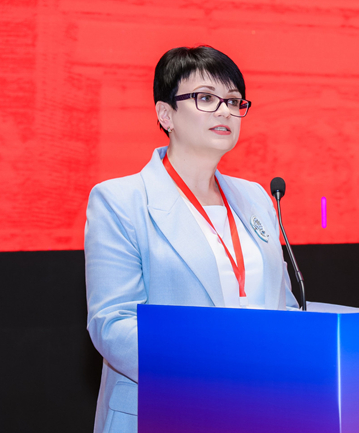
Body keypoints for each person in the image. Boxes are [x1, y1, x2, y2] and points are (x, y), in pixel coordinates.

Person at [85, 46, 298, 433]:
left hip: (259, 405)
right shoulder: (120, 200)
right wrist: (214, 368)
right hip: (167, 408)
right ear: (165, 114)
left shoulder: (256, 198)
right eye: (206, 98)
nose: (224, 111)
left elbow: (283, 306)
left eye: (233, 100)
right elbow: (113, 324)